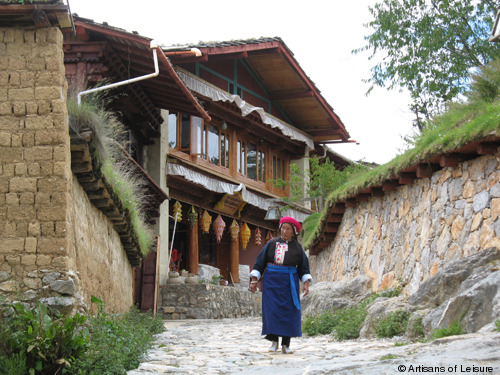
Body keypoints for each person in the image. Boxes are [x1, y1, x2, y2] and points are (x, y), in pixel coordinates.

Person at [249, 216, 312, 354]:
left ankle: (286, 344)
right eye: (283, 228)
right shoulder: (271, 244)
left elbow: (304, 268)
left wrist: (306, 284)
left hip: (289, 283)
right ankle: (274, 342)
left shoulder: (297, 248)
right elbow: (260, 262)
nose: (284, 231)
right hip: (271, 282)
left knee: (288, 312)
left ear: (293, 231)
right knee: (272, 311)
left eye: (288, 229)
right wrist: (254, 281)